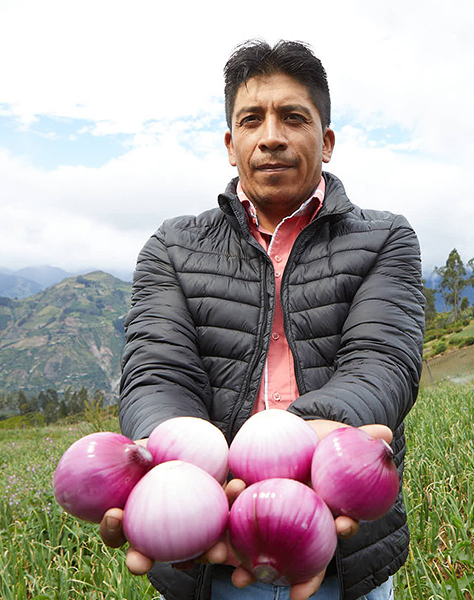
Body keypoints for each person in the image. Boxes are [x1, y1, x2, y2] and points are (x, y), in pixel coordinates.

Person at [99, 39, 425, 600]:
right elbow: (156, 372)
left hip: (341, 544)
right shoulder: (172, 247)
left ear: (325, 142)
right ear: (232, 144)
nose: (271, 135)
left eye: (293, 118)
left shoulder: (386, 238)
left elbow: (383, 362)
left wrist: (309, 439)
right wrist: (169, 461)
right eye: (252, 119)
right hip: (205, 546)